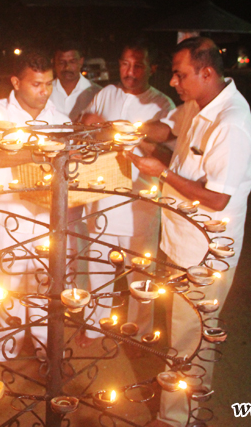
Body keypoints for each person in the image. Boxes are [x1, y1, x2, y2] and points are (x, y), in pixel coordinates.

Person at [132, 37, 251, 427]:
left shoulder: (231, 122)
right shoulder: (197, 105)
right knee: (181, 331)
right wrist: (130, 129)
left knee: (192, 336)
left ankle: (177, 418)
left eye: (180, 74)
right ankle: (178, 404)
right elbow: (167, 132)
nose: (173, 82)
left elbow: (218, 198)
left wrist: (162, 172)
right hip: (182, 241)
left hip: (207, 251)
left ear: (207, 72)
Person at [78, 39, 175, 346]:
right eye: (124, 64)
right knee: (98, 266)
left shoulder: (162, 105)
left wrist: (133, 135)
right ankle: (94, 326)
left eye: (138, 66)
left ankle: (139, 332)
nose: (130, 72)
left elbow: (169, 154)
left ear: (152, 68)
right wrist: (92, 126)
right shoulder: (106, 93)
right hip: (102, 197)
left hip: (139, 203)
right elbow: (85, 130)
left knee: (141, 272)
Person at [0, 50, 70, 362]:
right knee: (9, 283)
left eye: (49, 84)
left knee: (46, 281)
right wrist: (39, 152)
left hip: (48, 214)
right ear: (16, 82)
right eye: (36, 84)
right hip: (9, 213)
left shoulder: (59, 119)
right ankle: (7, 347)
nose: (44, 91)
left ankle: (45, 349)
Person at [49, 40, 102, 121]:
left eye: (72, 62)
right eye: (62, 62)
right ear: (53, 62)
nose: (67, 67)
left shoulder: (97, 94)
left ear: (81, 61)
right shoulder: (45, 92)